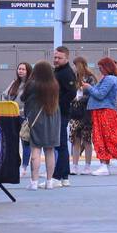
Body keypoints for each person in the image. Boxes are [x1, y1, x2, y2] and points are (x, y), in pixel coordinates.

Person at [83, 57, 117, 175]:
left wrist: (88, 87)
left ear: (107, 67)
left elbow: (100, 94)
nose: (99, 70)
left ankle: (104, 165)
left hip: (103, 112)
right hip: (102, 111)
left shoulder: (109, 79)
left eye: (101, 67)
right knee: (102, 137)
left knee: (101, 138)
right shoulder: (110, 78)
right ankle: (104, 164)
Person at [22, 61, 62, 190]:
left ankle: (34, 182)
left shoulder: (33, 84)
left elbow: (23, 98)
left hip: (37, 119)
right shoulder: (54, 85)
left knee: (36, 150)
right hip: (53, 119)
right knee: (50, 150)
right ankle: (49, 182)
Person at [51, 47, 76, 187]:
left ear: (66, 58)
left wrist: (57, 104)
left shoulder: (66, 73)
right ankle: (64, 176)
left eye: (59, 58)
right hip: (58, 111)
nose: (56, 60)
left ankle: (57, 176)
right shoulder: (58, 71)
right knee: (61, 145)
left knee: (60, 144)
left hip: (61, 112)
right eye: (55, 57)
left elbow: (71, 93)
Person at [4, 61, 32, 177]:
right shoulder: (14, 83)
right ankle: (16, 164)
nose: (20, 71)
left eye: (23, 69)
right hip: (13, 115)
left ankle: (24, 167)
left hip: (25, 117)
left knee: (25, 142)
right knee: (13, 142)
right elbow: (5, 95)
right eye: (19, 69)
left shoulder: (30, 84)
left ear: (28, 71)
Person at [69, 57, 96, 174]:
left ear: (80, 65)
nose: (74, 67)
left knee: (87, 140)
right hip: (74, 112)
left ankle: (87, 165)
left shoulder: (90, 78)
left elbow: (93, 94)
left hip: (86, 112)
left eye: (75, 65)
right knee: (75, 139)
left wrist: (80, 98)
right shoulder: (73, 78)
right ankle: (74, 165)